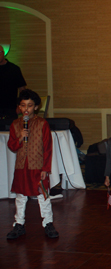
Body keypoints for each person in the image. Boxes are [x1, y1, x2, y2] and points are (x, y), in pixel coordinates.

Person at [6, 89, 58, 239]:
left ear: (36, 107)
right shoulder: (15, 124)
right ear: (19, 107)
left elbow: (47, 148)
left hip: (38, 167)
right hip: (21, 167)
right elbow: (12, 146)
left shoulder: (42, 124)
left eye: (30, 105)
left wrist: (46, 168)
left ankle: (48, 223)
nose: (26, 109)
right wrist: (21, 137)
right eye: (23, 105)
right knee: (21, 196)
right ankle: (19, 224)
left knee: (43, 195)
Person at [0, 46, 27, 119]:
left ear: (4, 53)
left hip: (10, 108)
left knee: (11, 129)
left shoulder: (14, 69)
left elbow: (22, 89)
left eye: (0, 52)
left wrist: (21, 105)